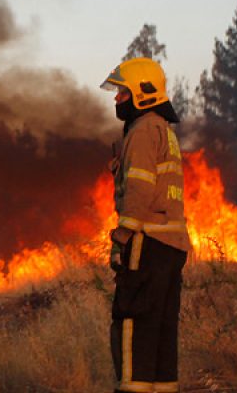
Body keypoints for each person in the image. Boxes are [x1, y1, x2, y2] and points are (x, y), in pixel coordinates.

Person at [101, 57, 191, 393]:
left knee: (133, 325)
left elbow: (139, 188)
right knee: (160, 331)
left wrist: (122, 236)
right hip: (172, 246)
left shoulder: (141, 131)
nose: (116, 99)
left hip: (147, 242)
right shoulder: (164, 132)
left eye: (122, 92)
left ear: (143, 93)